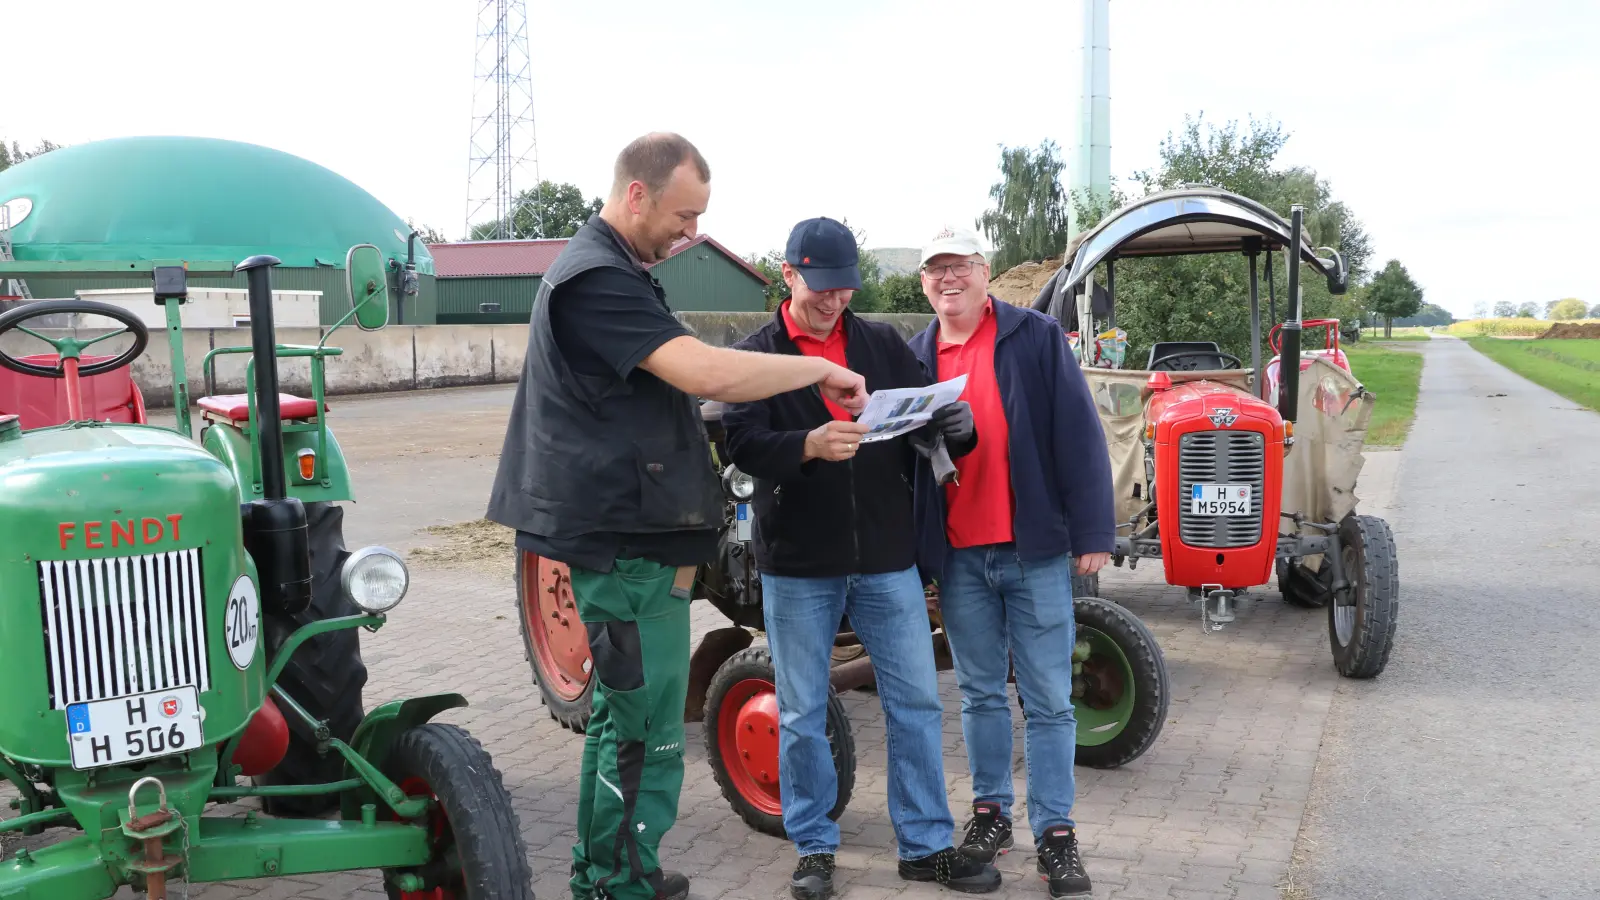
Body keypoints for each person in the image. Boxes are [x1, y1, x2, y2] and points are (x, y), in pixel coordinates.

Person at [485, 135, 870, 900]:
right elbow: (700, 369)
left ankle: (609, 871)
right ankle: (618, 882)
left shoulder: (614, 271)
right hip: (624, 545)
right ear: (638, 195)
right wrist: (818, 368)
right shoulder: (596, 280)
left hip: (632, 537)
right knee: (648, 727)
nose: (690, 232)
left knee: (621, 718)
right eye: (684, 215)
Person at [719, 216, 999, 899]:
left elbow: (925, 421)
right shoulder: (758, 355)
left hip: (885, 557)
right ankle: (814, 847)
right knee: (801, 712)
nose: (835, 300)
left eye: (846, 287)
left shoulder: (879, 343)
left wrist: (954, 428)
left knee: (917, 702)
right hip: (798, 563)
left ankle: (925, 847)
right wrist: (806, 447)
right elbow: (740, 442)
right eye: (822, 286)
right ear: (788, 275)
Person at [906, 226, 1116, 900]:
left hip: (1035, 550)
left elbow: (1078, 433)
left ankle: (1056, 832)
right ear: (923, 283)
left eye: (960, 266)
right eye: (936, 269)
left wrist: (1093, 529)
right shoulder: (914, 357)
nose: (949, 279)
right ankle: (991, 813)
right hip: (960, 556)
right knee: (979, 694)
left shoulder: (1033, 337)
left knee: (1049, 699)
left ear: (984, 270)